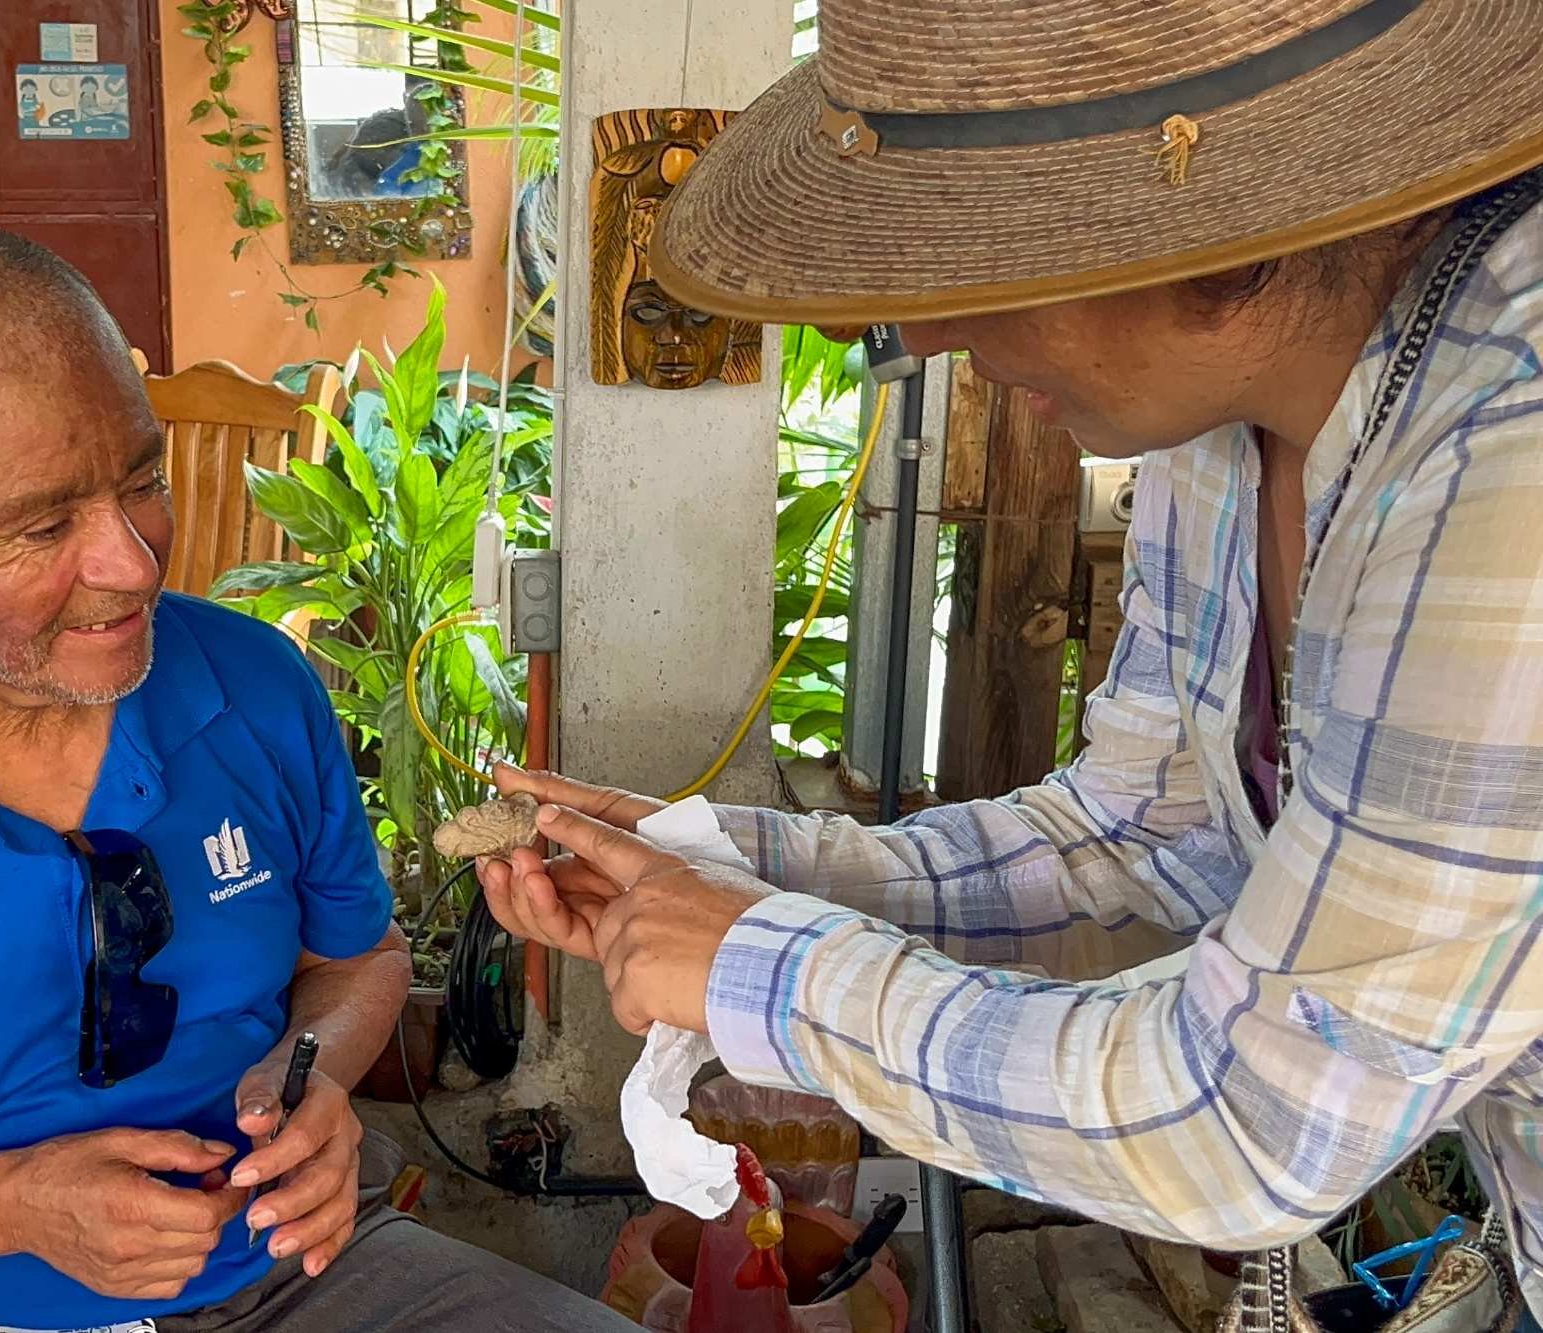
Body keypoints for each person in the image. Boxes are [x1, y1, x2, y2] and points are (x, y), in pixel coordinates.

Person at [480, 1, 1543, 1327]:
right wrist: (730, 866)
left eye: (979, 260)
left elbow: (1255, 1120)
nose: (923, 338)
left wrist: (766, 969)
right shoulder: (1216, 434)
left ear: (1207, 230)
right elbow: (1143, 836)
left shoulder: (1513, 434)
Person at [0, 223, 632, 1333]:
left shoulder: (253, 687)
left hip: (295, 1270)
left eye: (141, 480)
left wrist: (310, 1081)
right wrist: (7, 1208)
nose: (133, 565)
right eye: (41, 525)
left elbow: (356, 956)